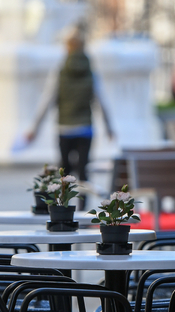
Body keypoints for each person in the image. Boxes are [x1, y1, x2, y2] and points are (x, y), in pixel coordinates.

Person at [24, 29, 114, 205]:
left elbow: (47, 100)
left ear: (67, 48)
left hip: (64, 128)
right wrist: (109, 128)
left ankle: (63, 206)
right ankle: (83, 206)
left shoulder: (60, 72)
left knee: (64, 170)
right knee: (83, 169)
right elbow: (101, 101)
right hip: (85, 129)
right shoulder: (91, 72)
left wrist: (34, 128)